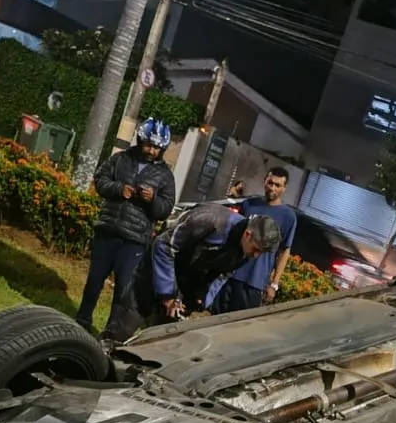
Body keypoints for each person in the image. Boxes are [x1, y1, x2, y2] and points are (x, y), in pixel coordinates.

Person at [102, 203, 281, 340]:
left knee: (161, 343)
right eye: (256, 249)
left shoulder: (246, 251)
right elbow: (164, 245)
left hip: (186, 284)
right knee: (120, 331)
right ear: (248, 234)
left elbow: (222, 275)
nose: (256, 256)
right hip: (156, 269)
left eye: (261, 253)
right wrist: (167, 294)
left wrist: (202, 299)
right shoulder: (211, 220)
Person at [76, 119, 176, 332]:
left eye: (157, 147)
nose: (151, 150)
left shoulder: (166, 175)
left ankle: (111, 332)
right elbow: (100, 180)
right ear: (140, 140)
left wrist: (152, 199)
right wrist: (119, 189)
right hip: (108, 230)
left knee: (123, 290)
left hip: (135, 241)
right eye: (148, 144)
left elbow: (166, 208)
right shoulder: (120, 159)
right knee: (94, 280)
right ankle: (82, 321)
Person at [222, 166, 298, 311]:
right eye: (270, 183)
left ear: (284, 188)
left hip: (254, 282)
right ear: (264, 181)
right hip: (231, 274)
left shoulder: (288, 217)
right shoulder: (249, 204)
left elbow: (284, 252)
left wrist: (274, 284)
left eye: (278, 185)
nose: (272, 188)